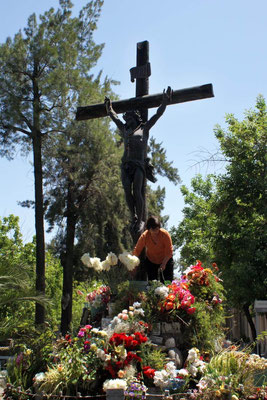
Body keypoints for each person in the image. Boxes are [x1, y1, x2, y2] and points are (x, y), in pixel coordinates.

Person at [104, 87, 172, 236]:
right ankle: (133, 216)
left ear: (135, 118)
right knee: (127, 190)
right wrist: (109, 109)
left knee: (137, 191)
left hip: (139, 165)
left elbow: (156, 115)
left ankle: (141, 219)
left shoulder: (144, 129)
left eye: (129, 118)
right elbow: (115, 118)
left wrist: (165, 102)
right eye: (125, 118)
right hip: (126, 164)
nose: (126, 120)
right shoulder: (125, 131)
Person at [132, 216, 174, 283]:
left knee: (167, 282)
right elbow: (137, 250)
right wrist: (133, 264)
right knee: (152, 284)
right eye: (153, 230)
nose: (156, 232)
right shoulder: (145, 236)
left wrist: (164, 264)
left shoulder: (165, 234)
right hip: (151, 262)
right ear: (148, 229)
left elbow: (169, 252)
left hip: (166, 260)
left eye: (157, 229)